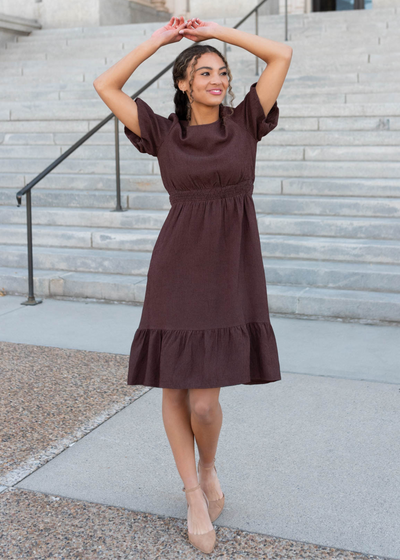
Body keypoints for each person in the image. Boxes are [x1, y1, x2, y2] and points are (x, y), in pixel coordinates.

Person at [93, 15, 292, 555]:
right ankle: (193, 494)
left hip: (232, 267)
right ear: (182, 82)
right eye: (204, 72)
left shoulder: (247, 120)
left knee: (205, 404)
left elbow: (281, 55)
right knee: (174, 385)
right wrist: (161, 40)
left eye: (222, 72)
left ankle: (208, 464)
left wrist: (217, 33)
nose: (217, 79)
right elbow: (105, 85)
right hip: (177, 266)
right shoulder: (163, 132)